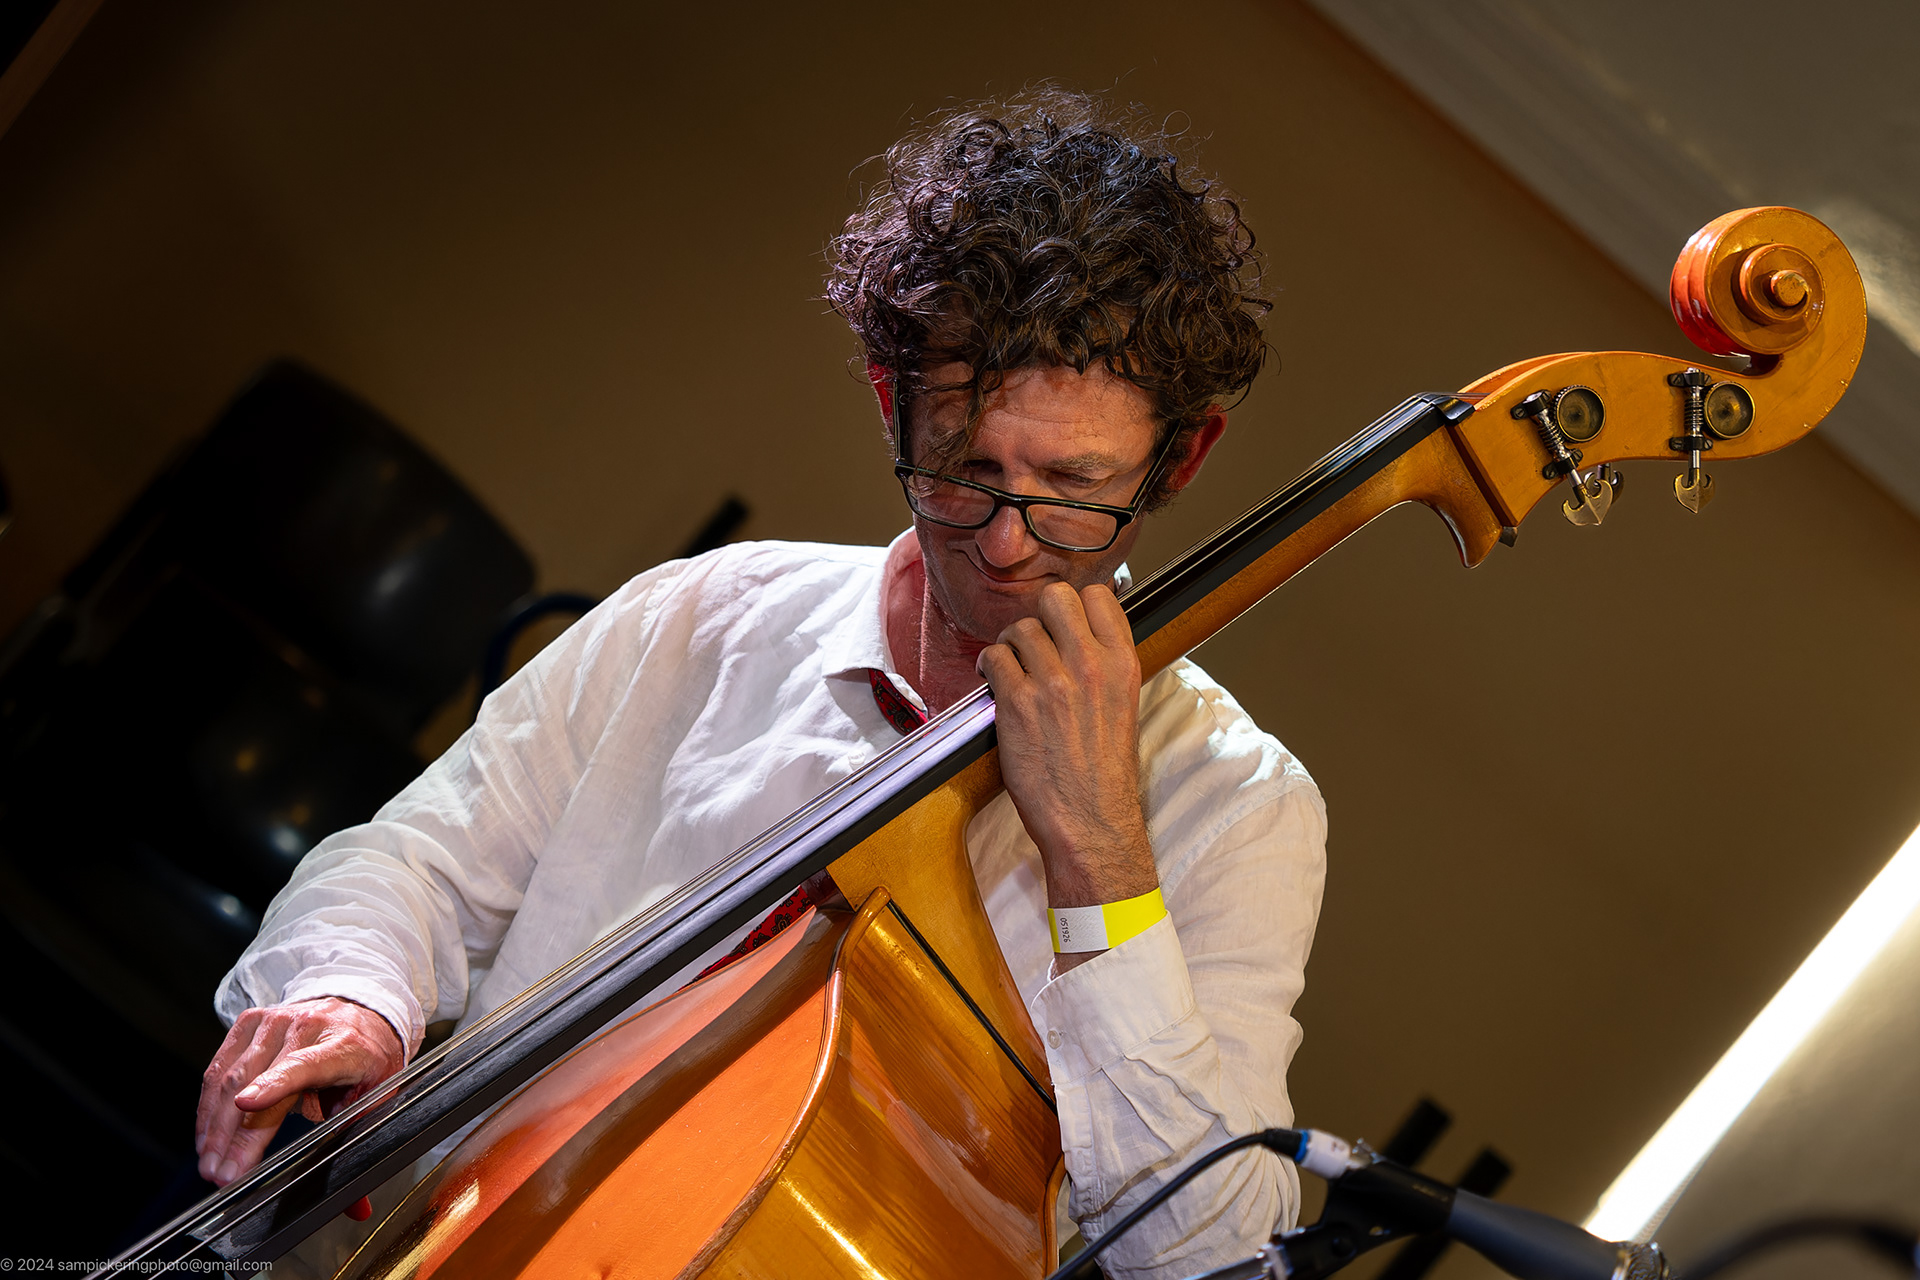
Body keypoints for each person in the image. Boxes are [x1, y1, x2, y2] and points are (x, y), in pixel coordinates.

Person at [196, 88, 1327, 1279]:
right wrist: (353, 995)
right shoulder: (715, 610)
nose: (1005, 541)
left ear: (1180, 456)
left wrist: (1100, 853)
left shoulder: (1238, 808)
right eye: (964, 466)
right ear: (893, 403)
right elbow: (416, 860)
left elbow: (1214, 1255)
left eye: (1076, 485)